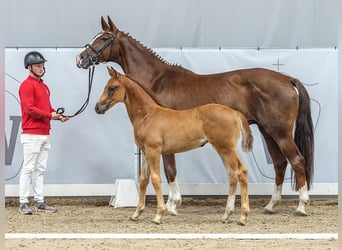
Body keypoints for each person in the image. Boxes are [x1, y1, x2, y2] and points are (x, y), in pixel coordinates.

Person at [18, 51, 68, 215]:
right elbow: (30, 110)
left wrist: (57, 116)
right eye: (38, 66)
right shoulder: (26, 85)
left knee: (40, 169)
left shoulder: (44, 86)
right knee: (28, 169)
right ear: (29, 67)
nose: (41, 68)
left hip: (44, 133)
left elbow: (46, 109)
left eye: (42, 65)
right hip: (32, 133)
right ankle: (23, 202)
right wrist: (49, 115)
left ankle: (39, 200)